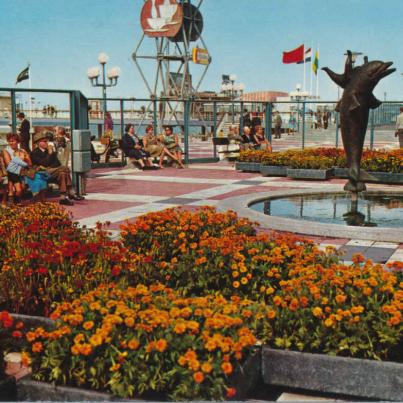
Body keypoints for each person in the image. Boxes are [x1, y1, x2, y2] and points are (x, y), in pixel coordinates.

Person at [30, 131, 83, 205]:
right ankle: (71, 192)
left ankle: (63, 198)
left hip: (53, 172)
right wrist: (50, 154)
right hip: (42, 173)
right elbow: (43, 163)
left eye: (47, 141)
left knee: (62, 173)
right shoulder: (34, 153)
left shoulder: (51, 151)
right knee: (64, 169)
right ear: (38, 143)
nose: (47, 143)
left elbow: (57, 163)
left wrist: (51, 166)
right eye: (44, 141)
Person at [3, 133, 25, 203]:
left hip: (20, 172)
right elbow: (9, 164)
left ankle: (13, 200)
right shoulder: (6, 151)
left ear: (17, 142)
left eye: (13, 141)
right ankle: (13, 201)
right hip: (12, 172)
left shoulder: (22, 151)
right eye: (10, 141)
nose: (11, 143)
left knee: (21, 188)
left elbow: (27, 162)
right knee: (18, 188)